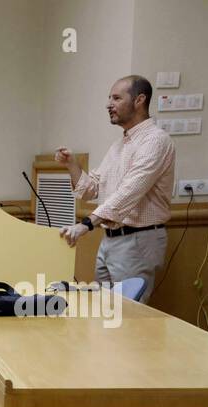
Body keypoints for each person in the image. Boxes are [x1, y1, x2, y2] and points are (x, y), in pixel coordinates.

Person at [55, 75, 175, 303]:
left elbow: (128, 194)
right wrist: (71, 164)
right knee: (104, 315)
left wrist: (85, 225)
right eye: (109, 98)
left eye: (117, 98)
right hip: (110, 239)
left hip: (138, 240)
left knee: (127, 317)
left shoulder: (155, 141)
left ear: (140, 100)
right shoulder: (119, 145)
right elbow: (91, 190)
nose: (108, 104)